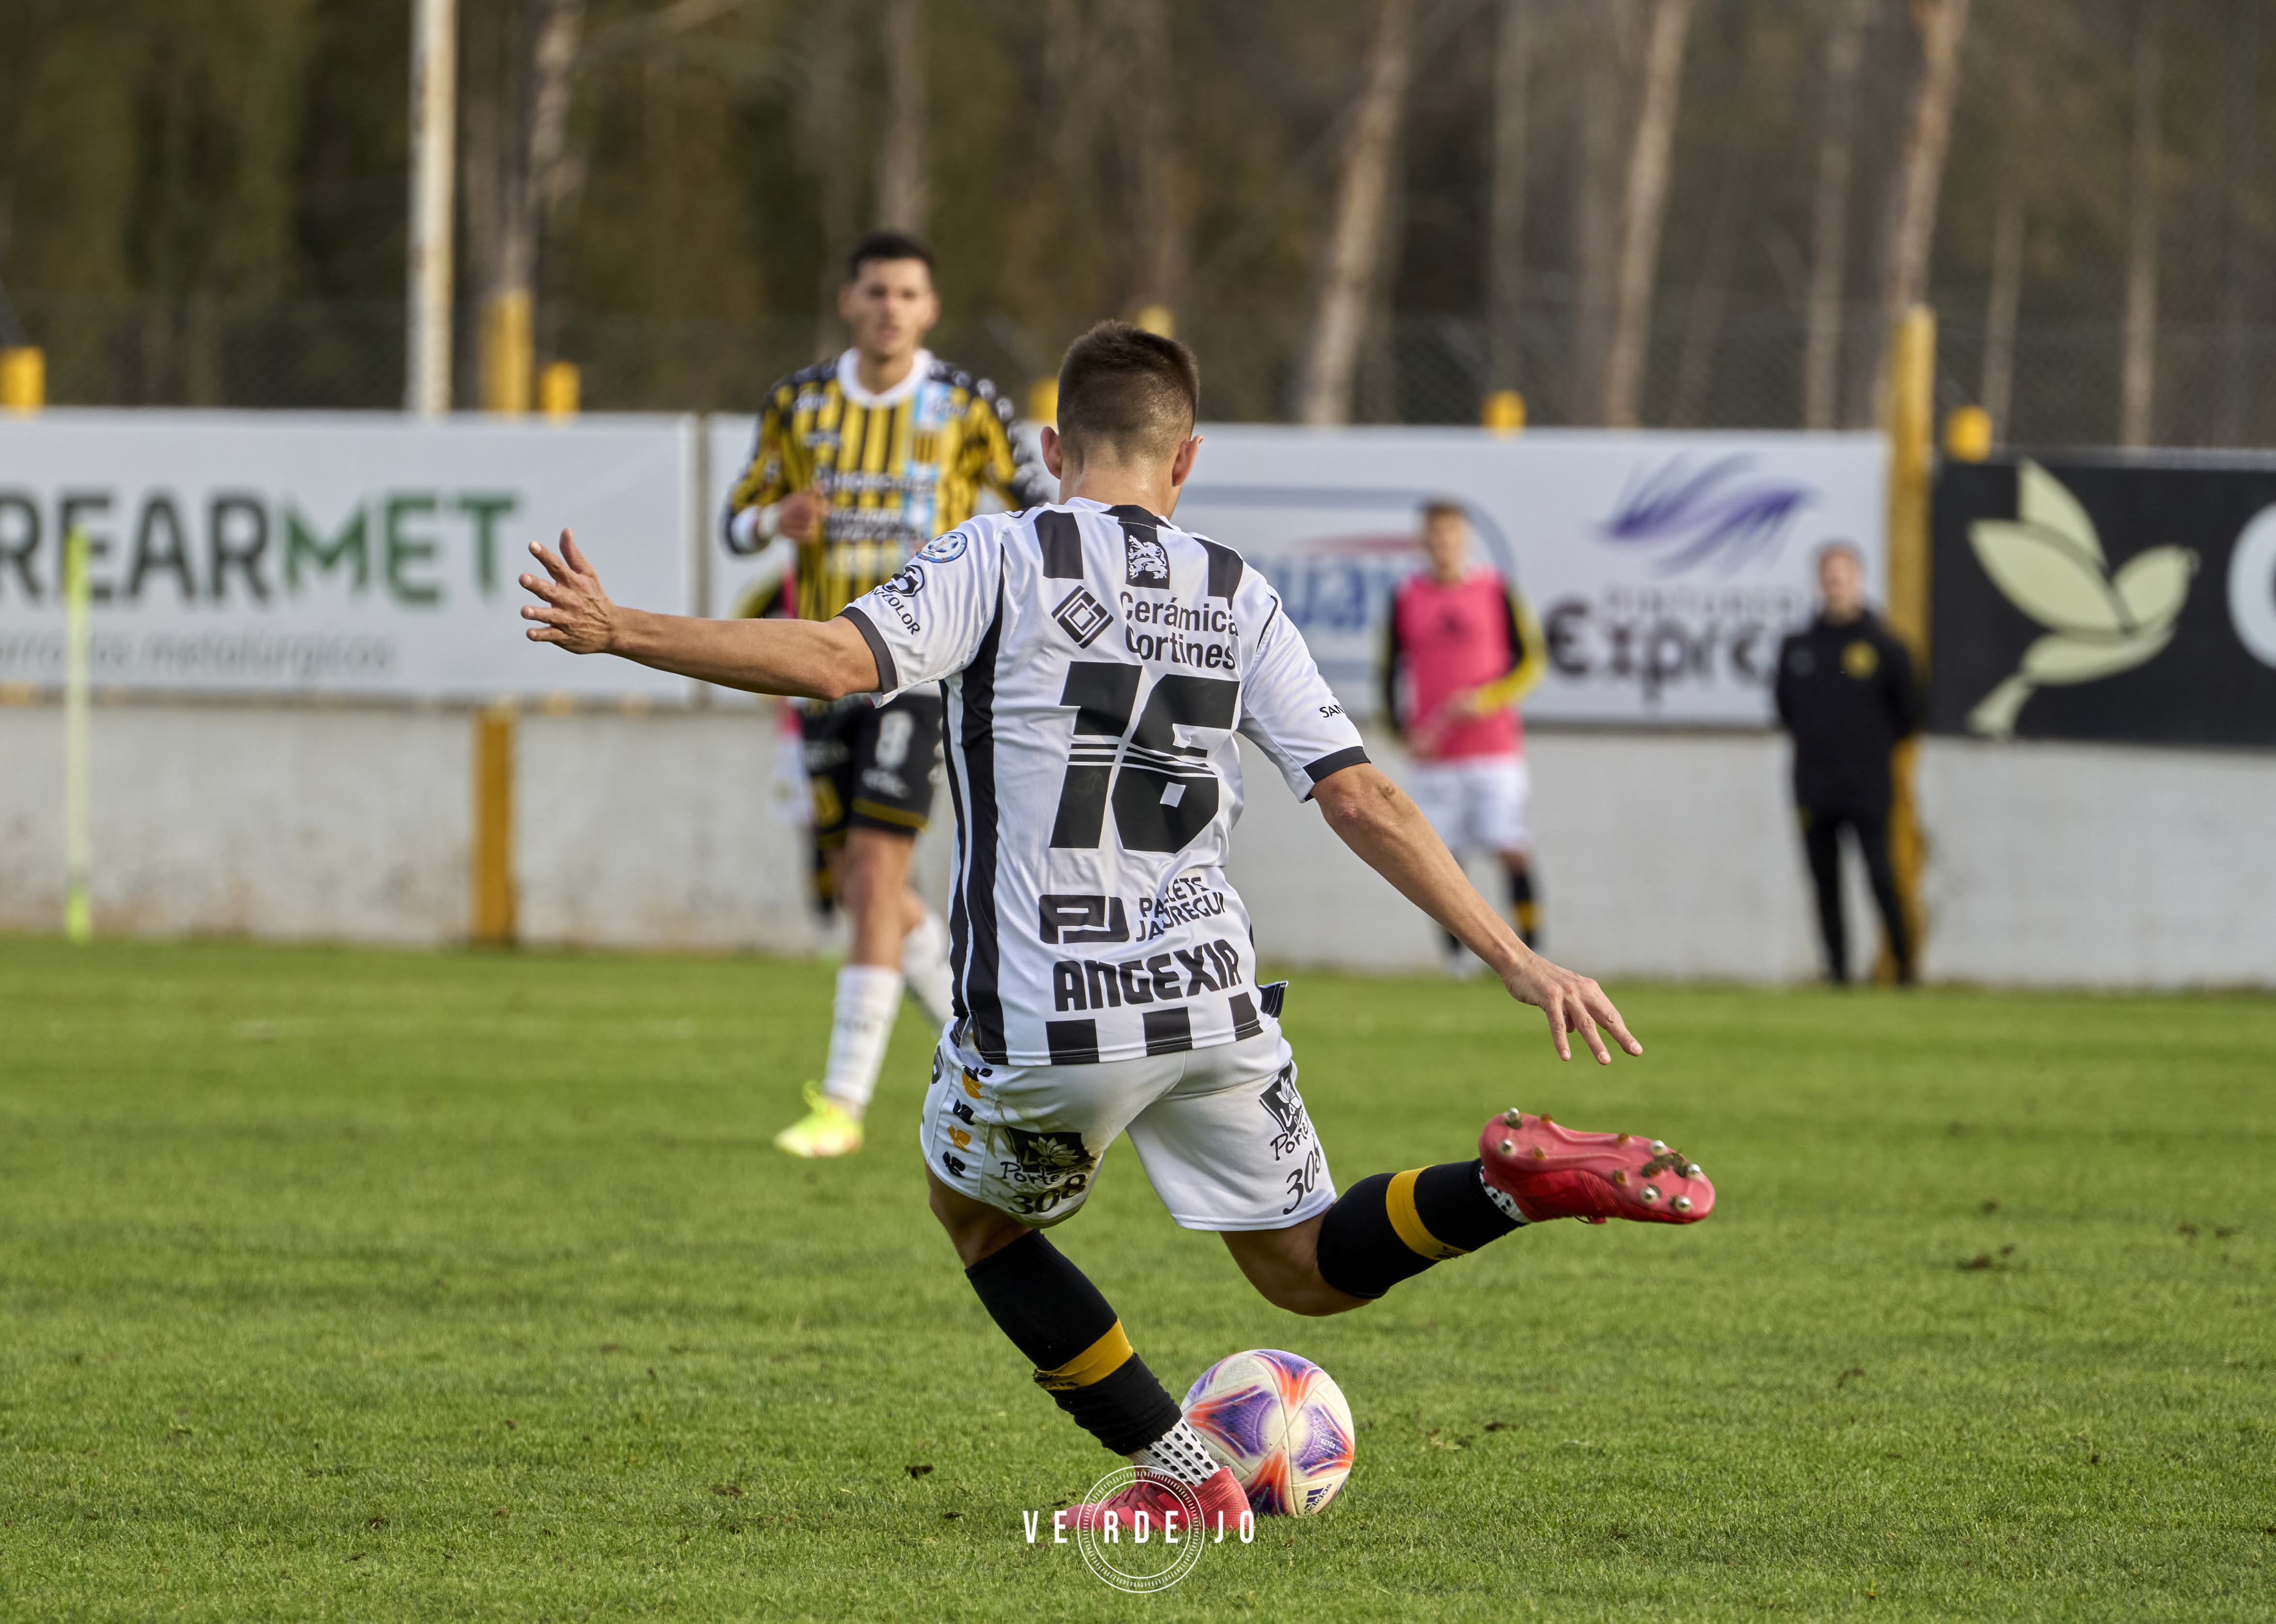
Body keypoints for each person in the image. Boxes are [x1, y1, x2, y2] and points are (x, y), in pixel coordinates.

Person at [520, 321, 1714, 1530]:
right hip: (1212, 993)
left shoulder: (1002, 551)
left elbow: (838, 659)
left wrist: (625, 629)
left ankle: (1182, 1476)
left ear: (1051, 448)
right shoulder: (1236, 589)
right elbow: (1360, 791)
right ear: (1182, 459)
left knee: (978, 1221)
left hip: (1056, 1007)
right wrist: (1511, 953)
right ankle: (1510, 1189)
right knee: (1298, 1265)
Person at [723, 230, 1051, 1158]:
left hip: (920, 668)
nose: (890, 308)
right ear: (847, 301)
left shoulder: (964, 404)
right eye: (875, 292)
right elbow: (735, 520)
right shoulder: (799, 404)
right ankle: (990, 1054)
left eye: (907, 293)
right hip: (822, 666)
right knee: (869, 888)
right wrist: (772, 518)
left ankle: (843, 1105)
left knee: (873, 870)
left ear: (930, 308)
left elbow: (1037, 507)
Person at [1380, 500, 1547, 970]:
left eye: (1452, 536)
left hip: (1494, 752)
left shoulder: (1496, 591)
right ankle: (1457, 962)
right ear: (1424, 542)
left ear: (1465, 540)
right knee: (1440, 863)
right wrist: (1401, 731)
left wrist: (1487, 699)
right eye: (1435, 536)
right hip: (1435, 757)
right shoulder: (1406, 598)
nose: (1444, 545)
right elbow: (1387, 671)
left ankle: (1534, 948)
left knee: (1510, 848)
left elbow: (1531, 661)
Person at [1772, 542, 1921, 984]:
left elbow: (1909, 716)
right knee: (1825, 883)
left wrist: (1865, 751)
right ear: (1820, 580)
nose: (1836, 582)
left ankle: (1905, 968)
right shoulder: (1798, 645)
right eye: (1828, 573)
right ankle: (1837, 972)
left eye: (1843, 573)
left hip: (1868, 786)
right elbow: (1785, 710)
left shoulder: (1887, 646)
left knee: (1880, 875)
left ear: (1859, 578)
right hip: (1814, 785)